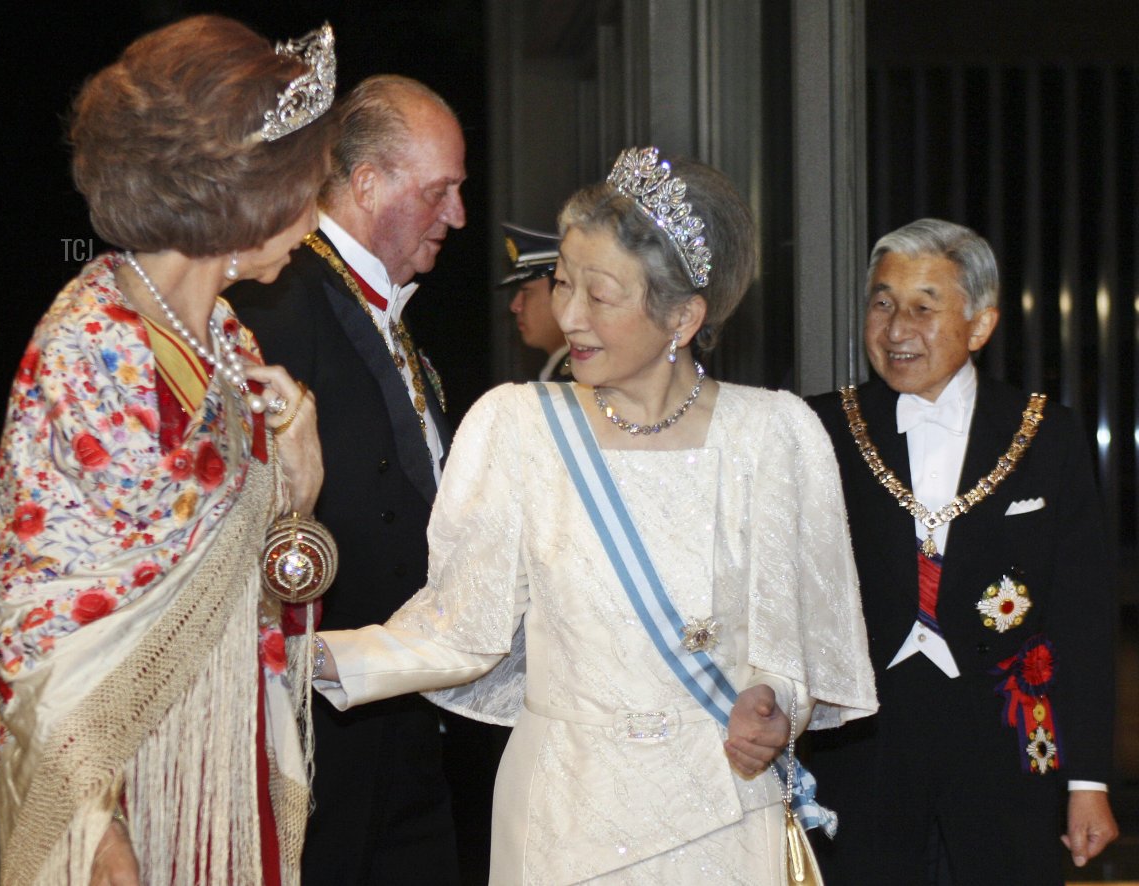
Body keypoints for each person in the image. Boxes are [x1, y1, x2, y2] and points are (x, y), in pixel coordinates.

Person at [309, 146, 878, 883]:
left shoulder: (774, 436)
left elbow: (792, 643)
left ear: (684, 316)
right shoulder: (518, 428)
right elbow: (460, 629)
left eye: (599, 295)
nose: (568, 314)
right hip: (563, 815)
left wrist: (774, 705)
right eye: (562, 282)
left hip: (722, 812)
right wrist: (307, 657)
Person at [0, 15, 335, 885]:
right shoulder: (89, 346)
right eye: (307, 188)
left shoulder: (224, 339)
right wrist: (98, 831)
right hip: (129, 797)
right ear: (244, 192)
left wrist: (302, 489)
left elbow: (265, 593)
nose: (316, 217)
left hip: (225, 770)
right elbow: (38, 622)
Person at [806, 218, 1119, 884]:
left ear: (979, 326)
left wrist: (1087, 779)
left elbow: (1082, 620)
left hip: (1004, 752)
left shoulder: (1046, 435)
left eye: (924, 307)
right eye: (883, 303)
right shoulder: (820, 430)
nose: (896, 328)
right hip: (863, 754)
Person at [227, 74, 469, 884]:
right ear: (368, 185)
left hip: (402, 723)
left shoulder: (390, 317)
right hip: (320, 740)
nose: (458, 216)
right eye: (440, 192)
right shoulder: (280, 302)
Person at [498, 221, 571, 380]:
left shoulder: (578, 380)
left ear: (565, 293)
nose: (515, 306)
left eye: (526, 291)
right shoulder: (564, 372)